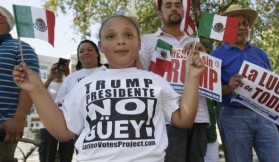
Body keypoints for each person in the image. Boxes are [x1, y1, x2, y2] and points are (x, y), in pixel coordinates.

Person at [12, 15, 205, 162]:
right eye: (111, 36)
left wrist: (192, 78)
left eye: (128, 35)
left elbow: (184, 120)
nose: (121, 41)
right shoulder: (85, 85)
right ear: (101, 46)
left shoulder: (156, 81)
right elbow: (63, 131)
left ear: (139, 43)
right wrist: (36, 89)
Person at [139, 0, 216, 161]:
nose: (174, 8)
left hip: (199, 117)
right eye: (168, 5)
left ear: (183, 10)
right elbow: (141, 76)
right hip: (166, 118)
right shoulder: (147, 40)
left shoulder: (195, 42)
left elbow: (210, 82)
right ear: (160, 14)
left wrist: (204, 55)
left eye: (177, 5)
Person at [210, 4, 279, 162]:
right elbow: (210, 92)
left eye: (244, 23)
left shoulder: (261, 54)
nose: (241, 27)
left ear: (249, 27)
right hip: (233, 116)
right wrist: (229, 87)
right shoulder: (215, 55)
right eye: (234, 24)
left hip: (264, 116)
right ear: (226, 28)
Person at [0, 6, 39, 162]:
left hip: (3, 129)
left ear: (1, 18)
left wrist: (19, 118)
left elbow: (31, 84)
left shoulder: (21, 48)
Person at [38, 62, 74, 162]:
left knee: (66, 156)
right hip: (47, 125)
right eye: (54, 68)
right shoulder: (47, 84)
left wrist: (68, 75)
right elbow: (38, 94)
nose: (57, 70)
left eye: (61, 68)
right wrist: (50, 78)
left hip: (68, 124)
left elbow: (78, 92)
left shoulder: (68, 83)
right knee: (46, 157)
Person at [55, 39, 107, 105]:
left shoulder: (108, 72)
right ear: (79, 57)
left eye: (89, 50)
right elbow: (59, 102)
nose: (86, 52)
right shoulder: (70, 78)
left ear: (97, 54)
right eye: (81, 51)